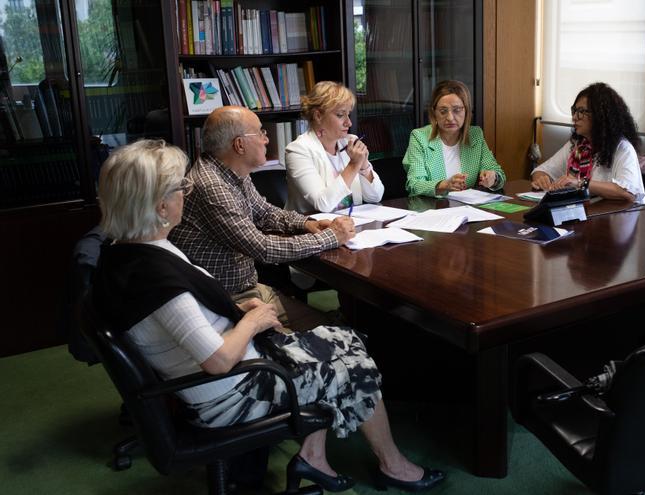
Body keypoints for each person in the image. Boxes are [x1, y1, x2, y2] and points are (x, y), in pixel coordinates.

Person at [92, 139, 445, 493]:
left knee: (345, 339)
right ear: (161, 206)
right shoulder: (156, 279)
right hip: (235, 394)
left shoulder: (131, 252)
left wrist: (239, 311)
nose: (187, 192)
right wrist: (253, 321)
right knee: (353, 363)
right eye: (180, 187)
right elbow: (218, 360)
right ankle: (393, 466)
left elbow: (191, 316)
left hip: (228, 375)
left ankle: (313, 457)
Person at [168, 106, 352, 325]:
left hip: (249, 289)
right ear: (239, 144)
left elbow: (264, 212)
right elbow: (263, 248)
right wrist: (330, 237)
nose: (266, 139)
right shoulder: (212, 186)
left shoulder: (231, 171)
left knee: (333, 326)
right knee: (329, 335)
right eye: (261, 132)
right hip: (227, 301)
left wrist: (306, 223)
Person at [530, 82, 645, 203]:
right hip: (593, 213)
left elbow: (628, 192)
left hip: (625, 217)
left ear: (601, 116)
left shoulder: (623, 148)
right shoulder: (578, 146)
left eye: (581, 112)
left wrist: (581, 183)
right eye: (574, 111)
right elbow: (541, 170)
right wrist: (542, 179)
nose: (574, 117)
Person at [285, 81, 384, 213]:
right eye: (340, 115)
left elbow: (375, 196)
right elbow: (323, 204)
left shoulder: (350, 142)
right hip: (311, 229)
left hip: (350, 225)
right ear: (318, 116)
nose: (349, 122)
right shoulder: (298, 151)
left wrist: (364, 165)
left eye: (348, 114)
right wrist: (354, 165)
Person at [402, 80, 506, 197]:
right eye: (443, 111)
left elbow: (498, 174)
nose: (450, 118)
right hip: (433, 209)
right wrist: (445, 185)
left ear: (466, 112)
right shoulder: (420, 137)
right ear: (434, 113)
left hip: (468, 209)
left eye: (457, 110)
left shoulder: (475, 135)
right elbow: (414, 184)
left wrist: (493, 178)